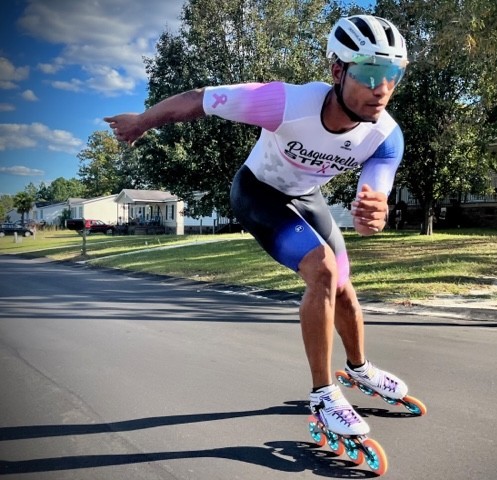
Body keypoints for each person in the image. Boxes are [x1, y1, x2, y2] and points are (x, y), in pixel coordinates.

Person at [105, 14, 412, 437]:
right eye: (369, 73)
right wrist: (142, 121)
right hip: (258, 192)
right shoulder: (285, 103)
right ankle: (323, 395)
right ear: (337, 70)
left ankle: (358, 368)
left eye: (392, 74)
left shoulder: (386, 136)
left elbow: (370, 210)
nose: (381, 89)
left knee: (343, 282)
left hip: (306, 198)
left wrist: (373, 215)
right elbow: (199, 99)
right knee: (321, 270)